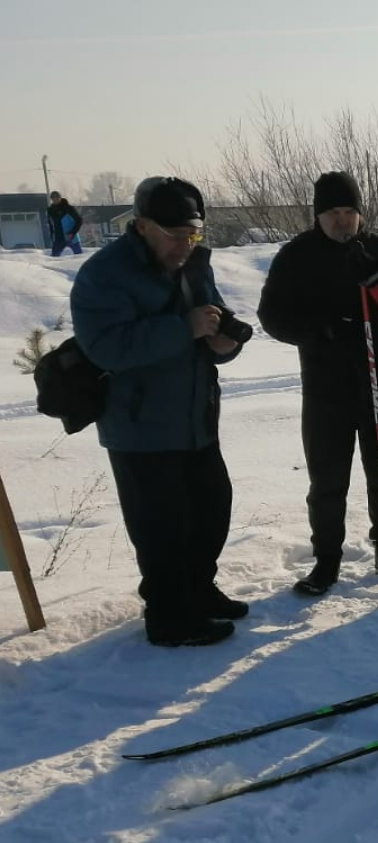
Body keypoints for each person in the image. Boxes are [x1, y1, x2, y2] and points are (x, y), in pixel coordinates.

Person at [70, 177, 249, 646]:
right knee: (161, 527)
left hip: (196, 419)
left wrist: (223, 344)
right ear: (142, 225)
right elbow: (105, 347)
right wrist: (184, 328)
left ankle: (198, 590)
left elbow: (211, 321)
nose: (185, 244)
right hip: (140, 426)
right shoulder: (103, 275)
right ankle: (169, 617)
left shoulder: (193, 264)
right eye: (175, 235)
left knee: (211, 509)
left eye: (193, 233)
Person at [259, 171, 378, 596]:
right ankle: (326, 562)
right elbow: (271, 315)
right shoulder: (296, 256)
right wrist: (317, 330)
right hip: (326, 386)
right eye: (332, 213)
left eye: (348, 212)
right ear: (318, 216)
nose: (342, 220)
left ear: (360, 213)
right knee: (327, 478)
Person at [48, 191, 83, 256]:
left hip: (70, 237)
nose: (55, 199)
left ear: (60, 198)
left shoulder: (68, 208)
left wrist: (73, 232)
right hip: (58, 238)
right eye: (53, 198)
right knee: (54, 258)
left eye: (57, 197)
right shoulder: (50, 210)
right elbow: (50, 225)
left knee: (79, 256)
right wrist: (52, 237)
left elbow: (79, 220)